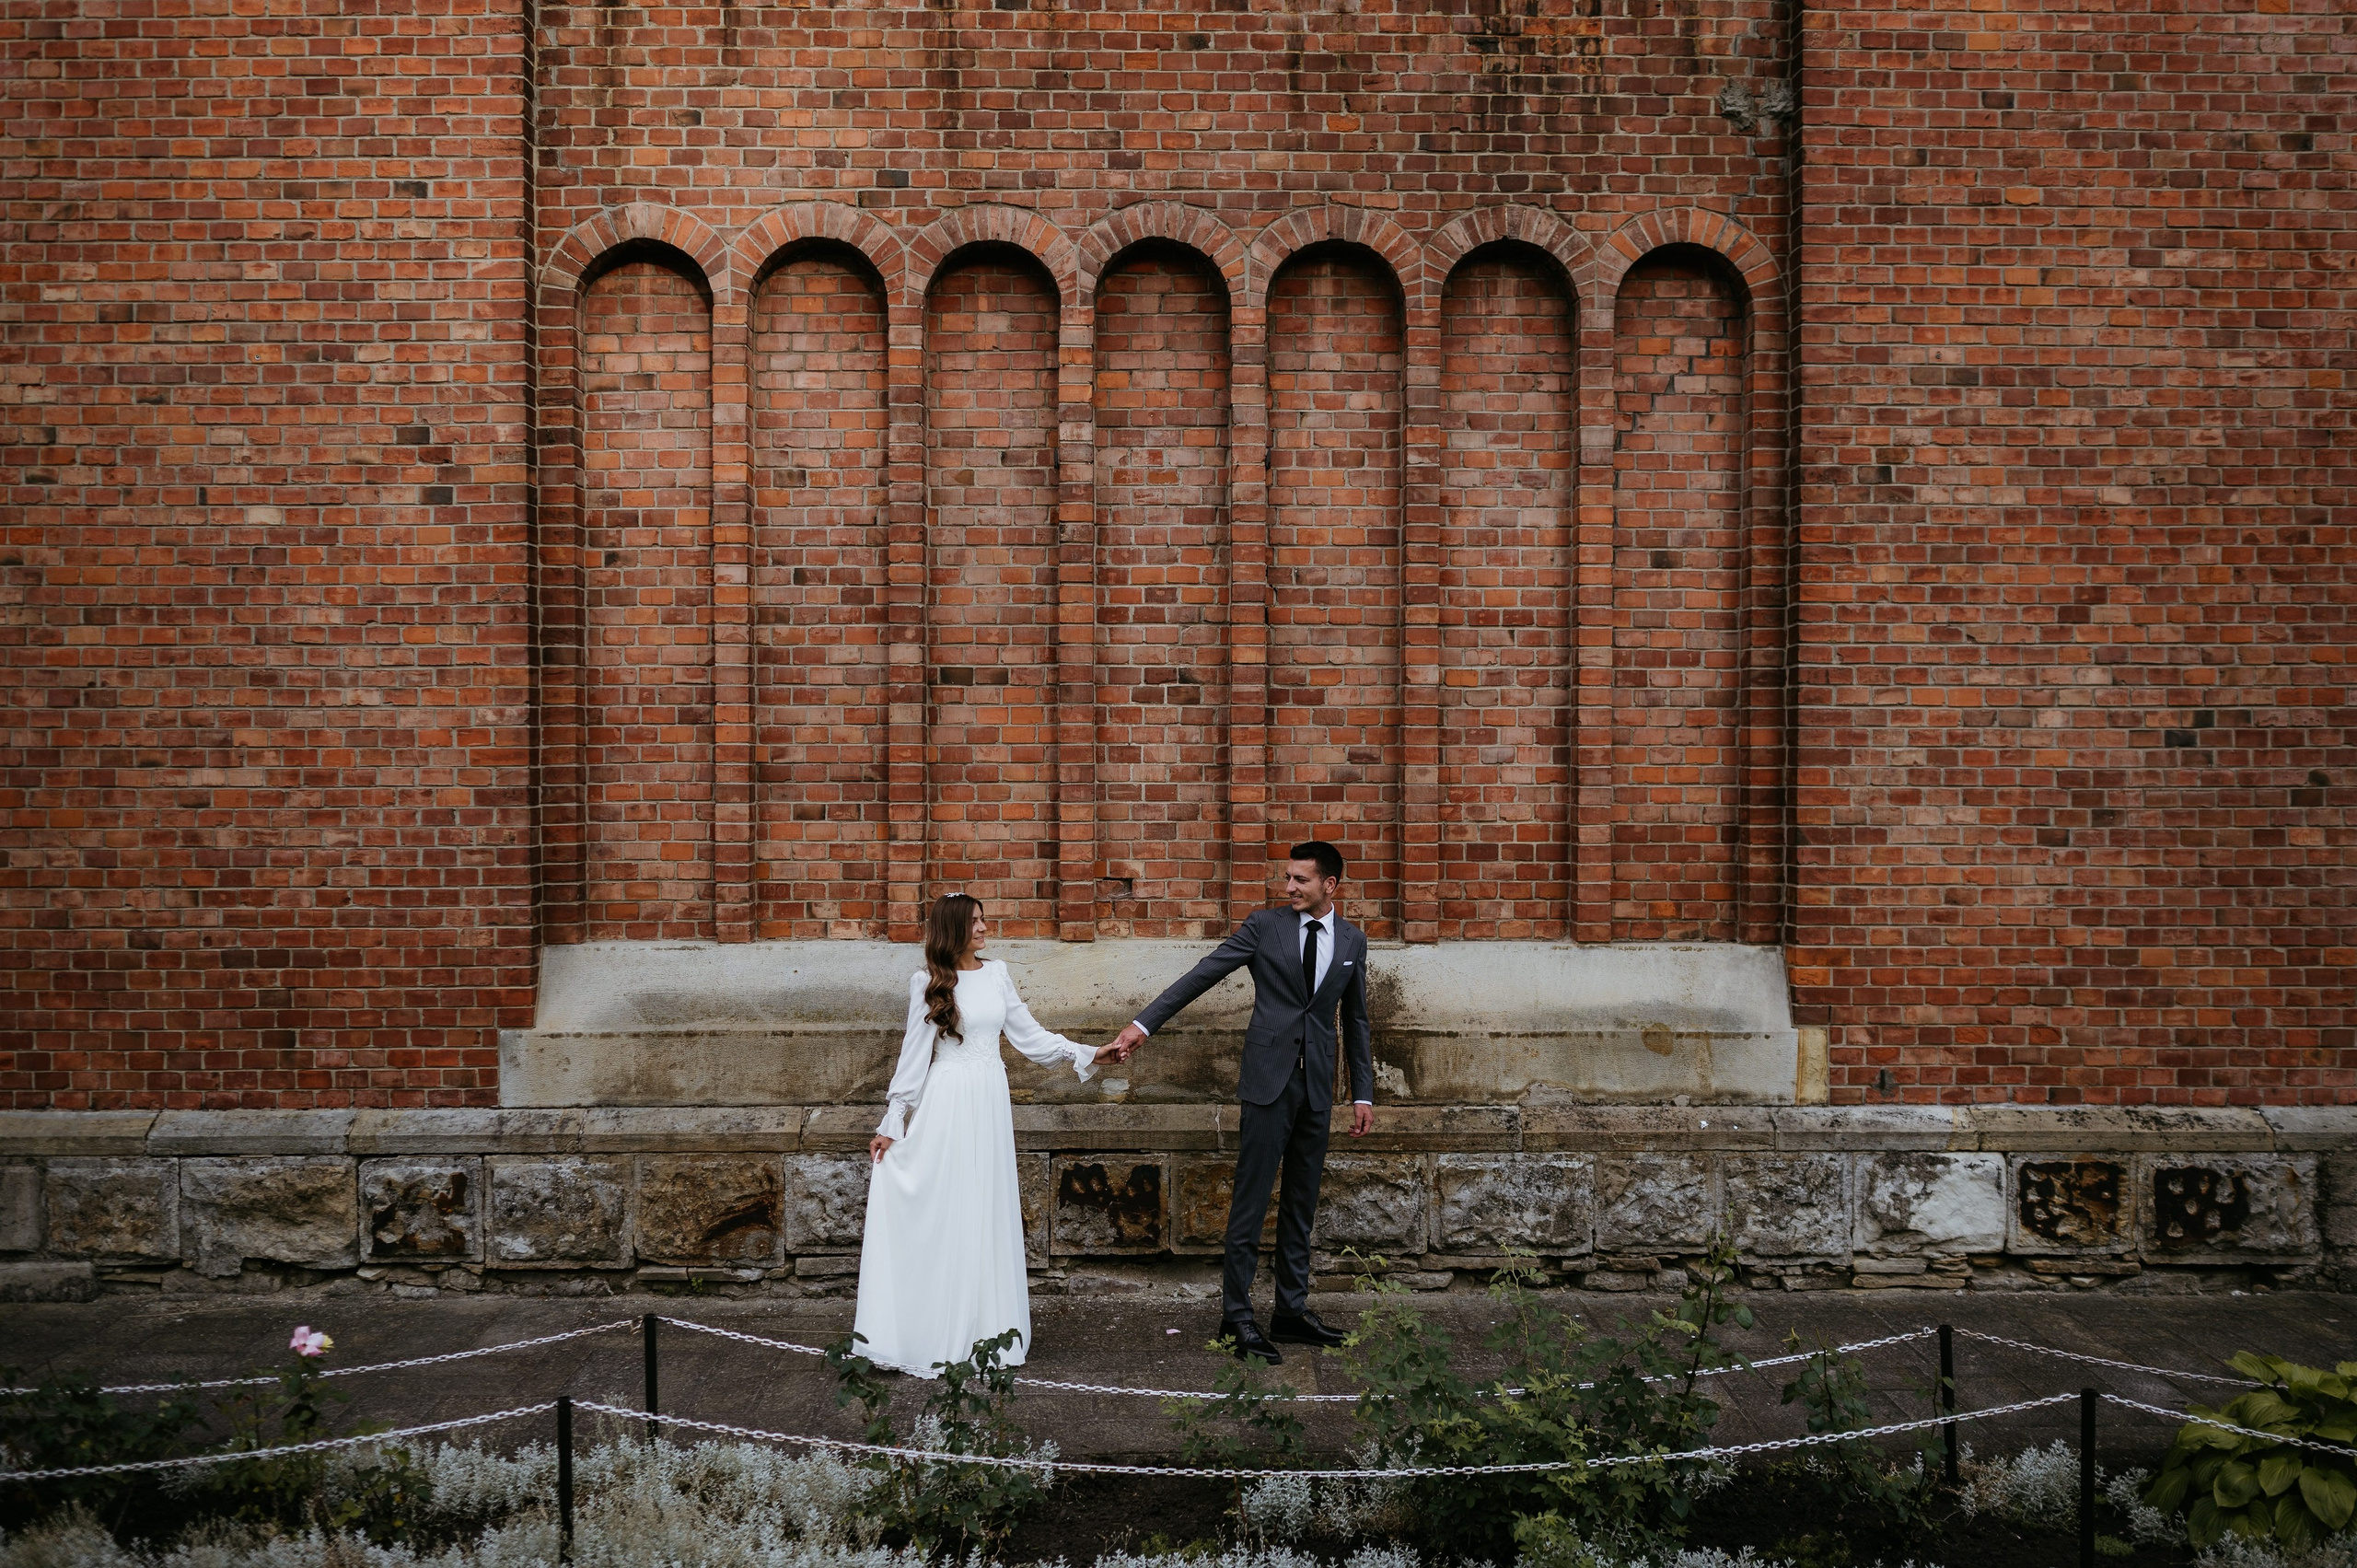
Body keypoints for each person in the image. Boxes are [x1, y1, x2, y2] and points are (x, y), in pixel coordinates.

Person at [1102, 841, 1374, 1363]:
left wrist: (1361, 1092)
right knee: (1250, 1201)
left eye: (1301, 880)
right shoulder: (1263, 926)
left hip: (1318, 1087)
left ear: (1330, 886)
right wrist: (1142, 1027)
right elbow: (1203, 974)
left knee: (1302, 1202)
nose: (1289, 887)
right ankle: (1238, 1317)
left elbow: (1356, 1021)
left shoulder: (1352, 940)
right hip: (1268, 1083)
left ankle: (1291, 1312)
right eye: (1288, 878)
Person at [854, 892, 1101, 1376]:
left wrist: (1086, 1053)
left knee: (984, 1205)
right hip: (947, 1101)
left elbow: (1030, 1036)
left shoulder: (998, 974)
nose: (985, 928)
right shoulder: (928, 982)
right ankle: (928, 1329)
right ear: (952, 930)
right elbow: (913, 1054)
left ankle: (984, 1329)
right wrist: (893, 1121)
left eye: (985, 919)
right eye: (974, 923)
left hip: (989, 1099)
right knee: (948, 1206)